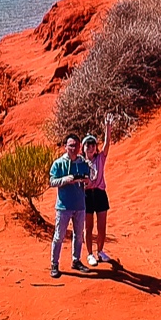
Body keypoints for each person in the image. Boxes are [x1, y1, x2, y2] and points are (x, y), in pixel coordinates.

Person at [47, 134, 92, 278]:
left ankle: (76, 260)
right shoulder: (58, 163)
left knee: (78, 236)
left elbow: (89, 180)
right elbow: (52, 182)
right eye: (71, 145)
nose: (73, 148)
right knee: (59, 236)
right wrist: (67, 180)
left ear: (80, 147)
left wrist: (86, 180)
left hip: (80, 205)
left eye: (76, 146)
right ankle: (54, 264)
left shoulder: (83, 163)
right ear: (65, 146)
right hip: (63, 206)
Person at [82, 118, 116, 267]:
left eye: (93, 144)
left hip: (100, 194)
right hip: (87, 195)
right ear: (83, 147)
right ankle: (90, 254)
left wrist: (108, 128)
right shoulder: (80, 162)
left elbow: (107, 144)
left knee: (102, 226)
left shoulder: (100, 158)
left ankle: (100, 251)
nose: (90, 147)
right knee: (88, 227)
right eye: (87, 145)